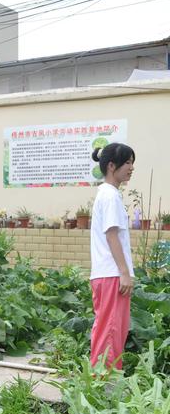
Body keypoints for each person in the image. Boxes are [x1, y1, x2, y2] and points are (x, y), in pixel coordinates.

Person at [90, 143, 136, 370]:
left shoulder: (108, 194)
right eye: (127, 162)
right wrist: (125, 273)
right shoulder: (110, 196)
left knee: (111, 329)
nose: (131, 167)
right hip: (112, 275)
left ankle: (103, 382)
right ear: (111, 166)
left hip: (108, 274)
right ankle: (104, 386)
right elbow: (112, 235)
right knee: (111, 330)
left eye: (131, 162)